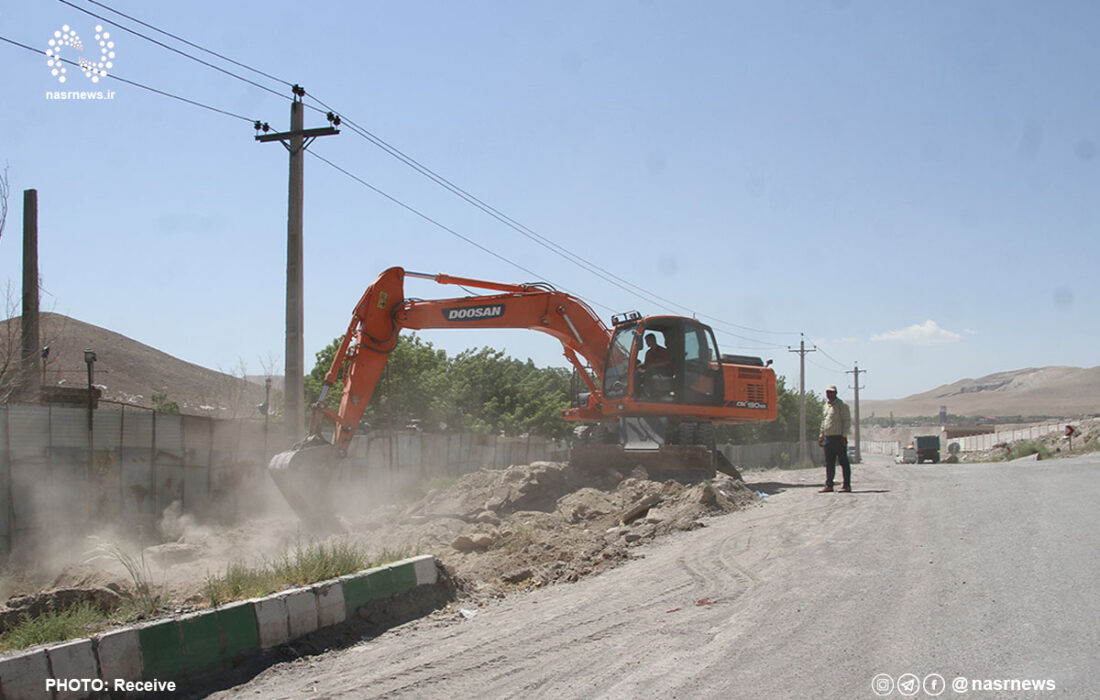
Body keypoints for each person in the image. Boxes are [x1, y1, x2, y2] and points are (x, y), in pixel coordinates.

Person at [818, 384, 852, 492]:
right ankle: (829, 485)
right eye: (828, 392)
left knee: (843, 462)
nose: (829, 394)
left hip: (838, 438)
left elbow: (846, 421)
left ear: (836, 393)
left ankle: (846, 485)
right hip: (828, 438)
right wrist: (821, 435)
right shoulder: (826, 406)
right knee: (829, 463)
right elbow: (824, 421)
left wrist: (844, 436)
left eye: (831, 392)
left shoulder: (842, 405)